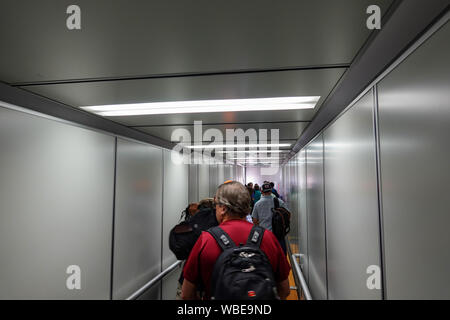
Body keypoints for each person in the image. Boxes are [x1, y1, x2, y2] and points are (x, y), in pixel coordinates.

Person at [181, 181, 290, 300]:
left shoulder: (206, 240)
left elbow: (186, 294)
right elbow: (284, 289)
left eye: (216, 205)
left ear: (223, 208)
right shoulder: (268, 238)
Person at [252, 182, 288, 253]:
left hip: (264, 235)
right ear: (271, 191)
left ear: (261, 191)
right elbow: (288, 214)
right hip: (278, 234)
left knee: (267, 255)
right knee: (281, 255)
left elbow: (255, 220)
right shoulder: (279, 201)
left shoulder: (257, 204)